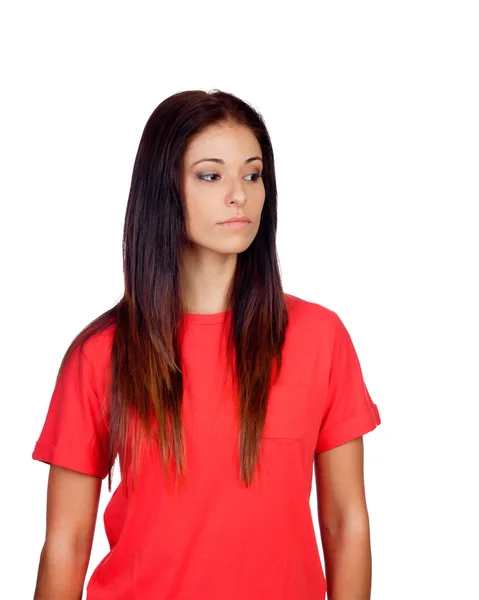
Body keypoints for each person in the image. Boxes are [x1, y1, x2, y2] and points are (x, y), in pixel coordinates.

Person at [32, 89, 381, 600]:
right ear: (163, 189)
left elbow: (347, 524)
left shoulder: (318, 336)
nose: (238, 193)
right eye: (211, 175)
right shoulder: (102, 354)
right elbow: (65, 544)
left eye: (252, 173)